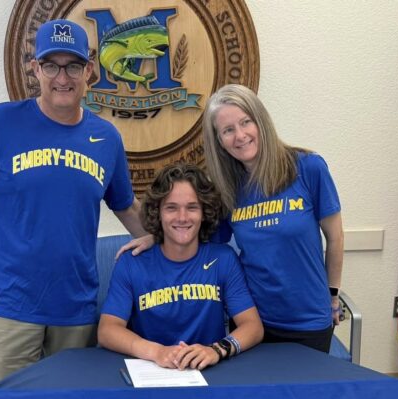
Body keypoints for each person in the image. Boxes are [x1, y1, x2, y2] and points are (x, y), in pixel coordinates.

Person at [0, 19, 149, 385]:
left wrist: (161, 239)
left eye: (73, 65)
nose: (63, 77)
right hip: (9, 306)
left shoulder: (106, 137)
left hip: (75, 307)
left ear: (89, 71)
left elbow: (124, 205)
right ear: (35, 69)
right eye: (51, 65)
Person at [119, 84, 344, 353]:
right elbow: (196, 234)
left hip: (309, 319)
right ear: (219, 141)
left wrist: (333, 295)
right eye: (227, 130)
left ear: (260, 121)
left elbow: (336, 237)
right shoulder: (228, 189)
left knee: (308, 395)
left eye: (245, 122)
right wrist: (156, 238)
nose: (240, 136)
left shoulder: (308, 168)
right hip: (257, 323)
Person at [98, 163, 263, 370]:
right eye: (171, 208)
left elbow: (253, 326)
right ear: (157, 212)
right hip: (152, 372)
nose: (182, 217)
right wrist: (157, 352)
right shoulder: (132, 262)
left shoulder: (223, 259)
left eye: (192, 207)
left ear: (204, 212)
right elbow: (107, 330)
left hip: (210, 372)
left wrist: (216, 349)